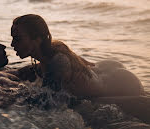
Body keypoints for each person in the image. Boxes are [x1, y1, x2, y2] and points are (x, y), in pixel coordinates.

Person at [11, 14, 145, 98]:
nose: (12, 44)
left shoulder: (58, 62)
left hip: (123, 82)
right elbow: (20, 73)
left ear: (37, 39)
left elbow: (46, 100)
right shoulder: (47, 56)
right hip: (104, 70)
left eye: (18, 39)